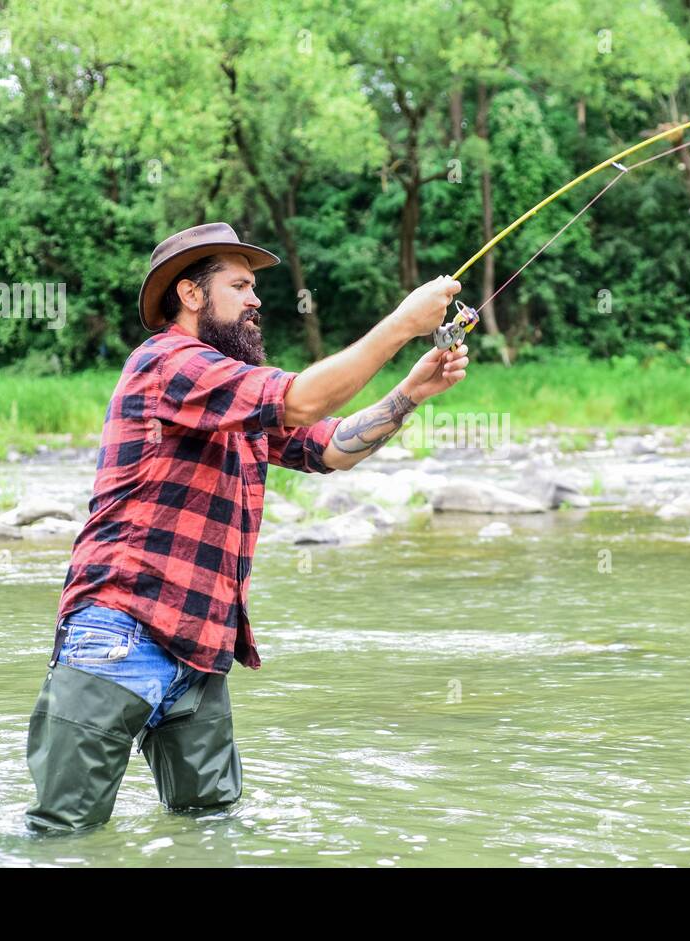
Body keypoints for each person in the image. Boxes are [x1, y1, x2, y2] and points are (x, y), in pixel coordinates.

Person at [24, 222, 468, 832]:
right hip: (118, 633)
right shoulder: (168, 363)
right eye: (240, 285)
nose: (257, 300)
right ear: (191, 295)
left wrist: (410, 391)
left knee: (209, 833)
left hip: (200, 652)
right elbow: (302, 401)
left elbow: (330, 446)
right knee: (64, 839)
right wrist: (401, 323)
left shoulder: (229, 397)